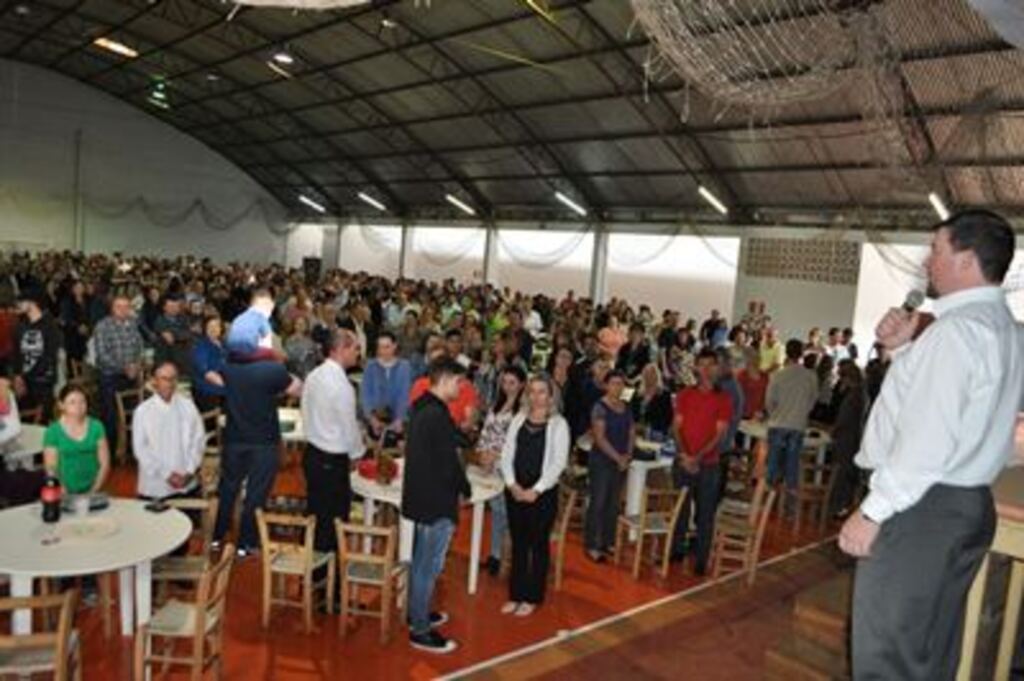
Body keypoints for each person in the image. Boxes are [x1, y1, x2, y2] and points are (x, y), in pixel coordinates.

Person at [839, 210, 1024, 680]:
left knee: (888, 657)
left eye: (936, 250)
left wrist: (874, 510)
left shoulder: (957, 332)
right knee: (929, 656)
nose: (927, 262)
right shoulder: (1004, 328)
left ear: (965, 259)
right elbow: (962, 418)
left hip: (923, 508)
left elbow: (927, 440)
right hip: (965, 504)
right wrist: (903, 350)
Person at [402, 359, 471, 654]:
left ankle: (416, 612)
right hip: (435, 501)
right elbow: (448, 463)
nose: (461, 387)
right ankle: (420, 630)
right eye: (458, 382)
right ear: (444, 379)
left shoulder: (422, 408)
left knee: (420, 561)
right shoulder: (436, 415)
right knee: (426, 567)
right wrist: (464, 488)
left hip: (421, 498)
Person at [213, 353, 302, 557]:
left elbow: (211, 376)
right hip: (264, 441)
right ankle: (246, 544)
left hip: (235, 438)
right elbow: (298, 389)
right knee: (256, 494)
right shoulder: (273, 371)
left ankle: (217, 536)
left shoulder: (229, 367)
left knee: (227, 489)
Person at [499, 374, 569, 616]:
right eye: (533, 391)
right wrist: (512, 484)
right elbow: (507, 454)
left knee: (537, 544)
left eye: (542, 391)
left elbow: (558, 464)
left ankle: (532, 596)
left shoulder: (559, 424)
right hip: (516, 490)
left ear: (551, 396)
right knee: (518, 542)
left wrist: (536, 490)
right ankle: (516, 593)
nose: (537, 396)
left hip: (542, 494)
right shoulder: (518, 419)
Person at [301, 329, 365, 552]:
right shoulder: (342, 386)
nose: (358, 353)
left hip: (312, 453)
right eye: (355, 348)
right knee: (334, 521)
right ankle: (330, 582)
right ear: (341, 349)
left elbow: (305, 411)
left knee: (315, 515)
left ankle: (314, 574)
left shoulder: (313, 375)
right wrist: (357, 455)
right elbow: (349, 428)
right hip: (332, 459)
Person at [671, 349, 731, 574]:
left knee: (705, 514)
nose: (705, 370)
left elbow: (719, 435)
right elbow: (676, 426)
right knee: (680, 510)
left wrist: (697, 458)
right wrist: (686, 455)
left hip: (709, 465)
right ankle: (676, 550)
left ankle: (701, 560)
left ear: (717, 368)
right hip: (684, 461)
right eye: (702, 364)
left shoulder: (723, 399)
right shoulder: (685, 394)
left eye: (710, 365)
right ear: (695, 367)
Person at [476, 365, 526, 576]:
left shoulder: (523, 411)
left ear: (522, 384)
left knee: (507, 514)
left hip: (508, 468)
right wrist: (482, 454)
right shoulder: (497, 405)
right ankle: (496, 555)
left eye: (512, 383)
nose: (507, 387)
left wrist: (495, 455)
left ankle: (508, 557)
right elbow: (486, 431)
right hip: (490, 467)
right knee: (497, 513)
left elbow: (517, 443)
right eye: (504, 382)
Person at [132, 360, 205, 501]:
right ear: (154, 381)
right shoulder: (143, 411)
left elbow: (199, 440)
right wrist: (167, 475)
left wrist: (190, 470)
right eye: (164, 379)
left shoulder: (187, 405)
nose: (170, 383)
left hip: (186, 483)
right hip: (155, 486)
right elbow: (140, 449)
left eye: (173, 379)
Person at [584, 370, 634, 562]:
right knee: (598, 502)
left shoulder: (626, 407)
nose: (617, 387)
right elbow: (599, 438)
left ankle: (607, 541)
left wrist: (628, 455)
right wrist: (618, 458)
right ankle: (592, 544)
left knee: (613, 504)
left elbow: (631, 433)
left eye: (620, 383)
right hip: (602, 461)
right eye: (613, 383)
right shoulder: (599, 407)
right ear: (606, 385)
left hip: (620, 462)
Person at [93, 293, 145, 457]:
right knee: (111, 417)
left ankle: (130, 451)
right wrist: (124, 368)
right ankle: (109, 454)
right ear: (112, 309)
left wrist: (137, 364)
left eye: (126, 307)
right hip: (110, 377)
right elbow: (102, 355)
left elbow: (139, 346)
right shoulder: (103, 326)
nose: (123, 310)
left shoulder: (132, 324)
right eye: (119, 307)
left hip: (130, 377)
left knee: (134, 414)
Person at [764, 339, 819, 495]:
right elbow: (812, 400)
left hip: (778, 423)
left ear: (786, 352)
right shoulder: (810, 376)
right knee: (792, 465)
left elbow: (769, 402)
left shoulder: (777, 375)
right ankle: (789, 501)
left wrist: (775, 413)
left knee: (773, 464)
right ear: (802, 353)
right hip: (798, 425)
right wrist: (802, 413)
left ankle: (769, 497)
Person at [43, 384, 110, 495]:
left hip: (94, 490)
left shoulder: (97, 427)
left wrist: (93, 491)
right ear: (61, 405)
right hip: (64, 493)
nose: (78, 406)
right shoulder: (53, 431)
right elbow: (51, 468)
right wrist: (66, 493)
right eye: (72, 402)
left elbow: (105, 463)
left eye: (82, 401)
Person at [12, 289, 62, 421]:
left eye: (21, 301)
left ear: (32, 303)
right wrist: (17, 377)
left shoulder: (50, 326)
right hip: (25, 383)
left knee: (42, 422)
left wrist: (25, 376)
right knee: (25, 421)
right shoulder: (20, 326)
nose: (18, 304)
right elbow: (16, 353)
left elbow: (49, 357)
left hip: (43, 382)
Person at [828, 360, 866, 518]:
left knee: (841, 474)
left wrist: (834, 431)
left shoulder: (853, 396)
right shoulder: (861, 394)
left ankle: (838, 507)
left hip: (846, 440)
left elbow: (843, 419)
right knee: (845, 474)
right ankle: (840, 505)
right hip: (853, 439)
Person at [360, 331, 413, 433]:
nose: (383, 351)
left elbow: (405, 395)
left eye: (387, 347)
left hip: (398, 420)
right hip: (374, 418)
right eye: (380, 347)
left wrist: (400, 419)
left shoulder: (405, 366)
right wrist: (372, 419)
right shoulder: (370, 366)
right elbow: (365, 394)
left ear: (394, 346)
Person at [191, 316, 227, 413]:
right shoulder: (201, 346)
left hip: (225, 388)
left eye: (217, 326)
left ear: (221, 328)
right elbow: (207, 373)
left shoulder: (224, 344)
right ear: (205, 329)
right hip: (208, 390)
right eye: (210, 326)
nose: (213, 329)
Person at [224, 288, 275, 357]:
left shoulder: (239, 318)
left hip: (233, 356)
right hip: (248, 357)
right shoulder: (260, 317)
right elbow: (268, 348)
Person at [630, 363, 673, 437]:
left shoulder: (665, 394)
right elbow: (630, 412)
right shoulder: (637, 393)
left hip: (656, 430)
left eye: (652, 373)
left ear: (657, 376)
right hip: (636, 430)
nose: (649, 376)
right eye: (646, 373)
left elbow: (667, 417)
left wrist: (647, 429)